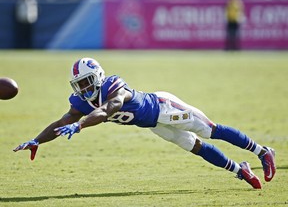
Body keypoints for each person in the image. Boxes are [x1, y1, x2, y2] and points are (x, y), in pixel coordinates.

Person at [13, 57, 276, 189]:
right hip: (153, 124)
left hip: (164, 108)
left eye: (86, 82)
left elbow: (108, 110)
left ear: (98, 77)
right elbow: (63, 120)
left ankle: (262, 152)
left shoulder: (115, 86)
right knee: (194, 147)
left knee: (210, 130)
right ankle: (239, 170)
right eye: (79, 85)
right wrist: (38, 140)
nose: (83, 89)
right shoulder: (82, 101)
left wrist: (80, 126)